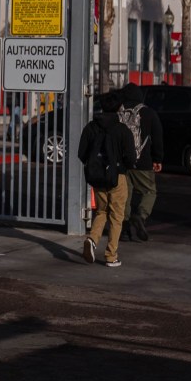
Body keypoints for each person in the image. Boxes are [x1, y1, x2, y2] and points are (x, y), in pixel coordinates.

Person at [79, 91, 137, 267]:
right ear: (119, 108)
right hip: (117, 177)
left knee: (101, 211)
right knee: (116, 216)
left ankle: (92, 239)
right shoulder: (122, 130)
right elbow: (131, 158)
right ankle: (111, 256)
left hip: (97, 178)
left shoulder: (90, 127)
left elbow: (81, 154)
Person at [119, 82, 164, 242]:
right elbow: (157, 137)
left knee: (125, 195)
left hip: (122, 162)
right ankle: (141, 216)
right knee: (149, 191)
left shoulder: (118, 112)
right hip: (142, 161)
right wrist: (158, 158)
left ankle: (123, 230)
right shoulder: (149, 113)